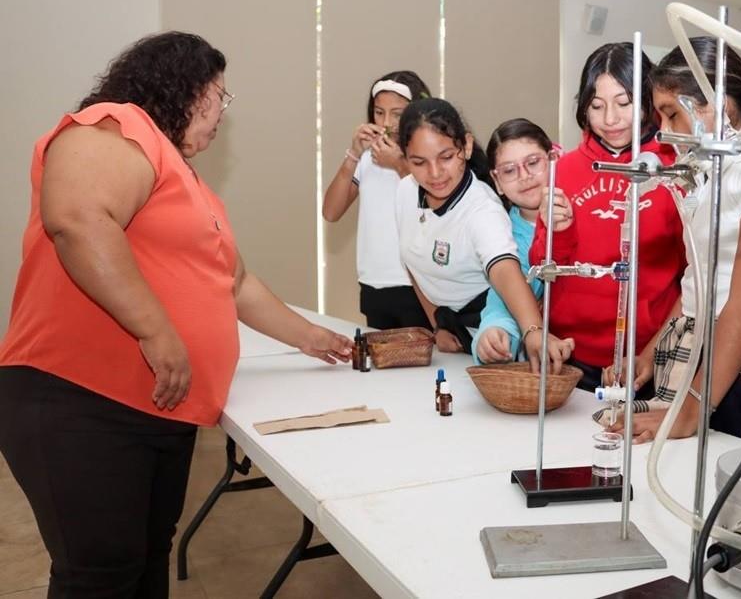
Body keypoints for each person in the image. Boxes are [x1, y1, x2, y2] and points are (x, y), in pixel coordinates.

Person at [0, 31, 352, 598]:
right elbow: (80, 218)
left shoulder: (184, 181)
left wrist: (313, 337)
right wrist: (155, 330)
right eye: (221, 96)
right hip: (82, 400)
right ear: (187, 88)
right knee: (99, 576)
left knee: (144, 564)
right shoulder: (113, 125)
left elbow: (234, 283)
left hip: (156, 408)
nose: (220, 115)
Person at [613, 38, 741, 441]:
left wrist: (694, 408)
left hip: (733, 358)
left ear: (713, 105)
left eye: (671, 114)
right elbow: (699, 277)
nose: (662, 132)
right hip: (695, 348)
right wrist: (649, 350)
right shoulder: (712, 176)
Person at [529, 42, 686, 391]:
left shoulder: (675, 169)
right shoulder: (564, 169)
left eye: (624, 104)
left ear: (649, 100)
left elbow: (695, 279)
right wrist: (560, 230)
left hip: (647, 358)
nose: (610, 119)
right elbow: (541, 264)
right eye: (597, 106)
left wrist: (650, 351)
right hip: (570, 357)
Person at [394, 98, 573, 370]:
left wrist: (533, 330)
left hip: (498, 334)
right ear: (405, 159)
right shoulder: (405, 191)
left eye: (445, 157)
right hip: (456, 339)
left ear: (465, 147)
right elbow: (412, 260)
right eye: (419, 162)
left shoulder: (482, 209)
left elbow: (504, 269)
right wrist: (437, 324)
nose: (434, 173)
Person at [323, 71, 433, 329]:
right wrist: (353, 154)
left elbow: (432, 201)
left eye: (397, 113)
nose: (387, 122)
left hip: (417, 287)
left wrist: (398, 164)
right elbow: (331, 211)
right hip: (373, 285)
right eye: (379, 112)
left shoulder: (428, 156)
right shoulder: (366, 157)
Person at [471, 118, 571, 363]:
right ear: (497, 182)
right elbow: (503, 299)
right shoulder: (504, 236)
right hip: (553, 359)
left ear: (554, 159)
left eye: (533, 163)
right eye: (509, 170)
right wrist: (493, 333)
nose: (525, 176)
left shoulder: (587, 208)